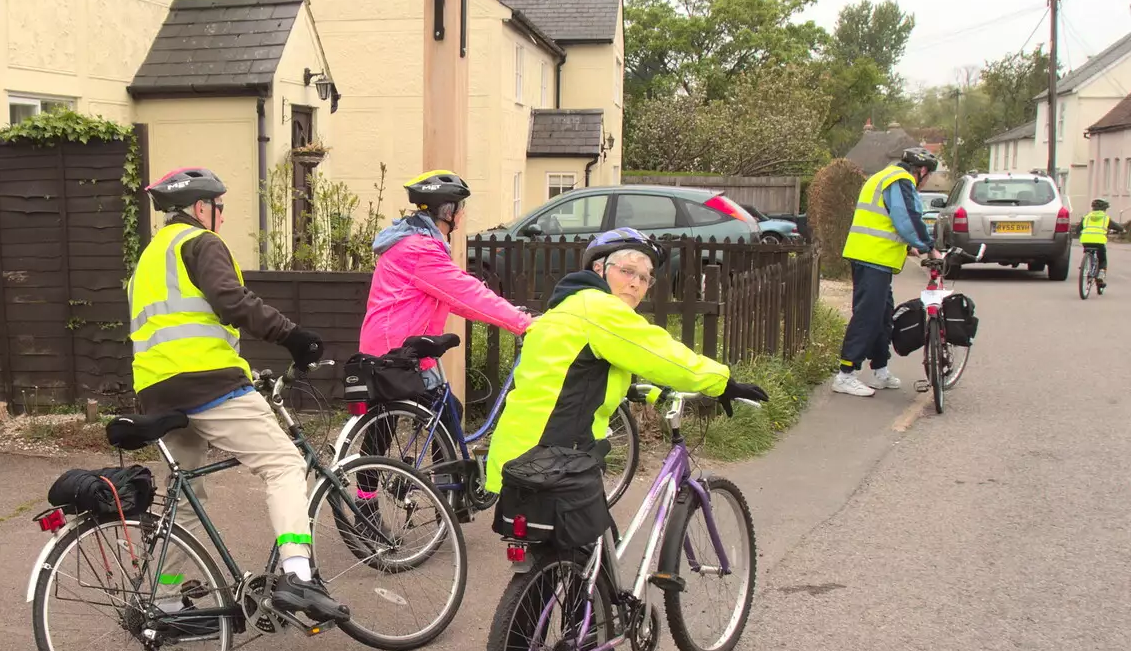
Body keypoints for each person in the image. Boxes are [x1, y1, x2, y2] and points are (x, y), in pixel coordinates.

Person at [129, 167, 346, 624]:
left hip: (156, 391)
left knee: (185, 496)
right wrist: (292, 336)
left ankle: (166, 602)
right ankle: (298, 574)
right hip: (207, 383)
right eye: (219, 207)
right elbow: (232, 301)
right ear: (201, 208)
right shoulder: (200, 243)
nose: (221, 218)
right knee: (285, 463)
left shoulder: (148, 259)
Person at [484, 228, 768, 495]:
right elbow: (660, 353)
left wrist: (652, 392)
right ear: (599, 268)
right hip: (555, 461)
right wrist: (721, 382)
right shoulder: (600, 309)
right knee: (592, 541)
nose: (635, 283)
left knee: (591, 542)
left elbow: (576, 376)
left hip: (515, 458)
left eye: (644, 278)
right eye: (627, 271)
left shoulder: (566, 307)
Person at [360, 169, 535, 387]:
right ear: (447, 212)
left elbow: (454, 298)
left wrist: (509, 313)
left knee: (441, 410)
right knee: (443, 412)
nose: (463, 214)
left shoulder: (413, 242)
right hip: (396, 352)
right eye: (461, 208)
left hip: (395, 347)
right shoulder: (420, 249)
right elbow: (466, 292)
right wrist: (521, 323)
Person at [832, 148, 938, 398]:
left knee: (882, 316)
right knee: (868, 316)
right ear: (922, 171)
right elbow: (907, 218)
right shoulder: (899, 180)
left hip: (871, 256)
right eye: (929, 176)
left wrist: (909, 246)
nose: (927, 182)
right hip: (872, 258)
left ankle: (880, 369)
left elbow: (884, 220)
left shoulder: (883, 175)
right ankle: (845, 374)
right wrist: (929, 248)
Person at [1076, 198, 1122, 290]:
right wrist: (1122, 230)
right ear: (1105, 209)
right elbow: (1117, 227)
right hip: (1099, 241)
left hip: (1086, 240)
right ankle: (1100, 274)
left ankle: (1086, 263)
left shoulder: (1086, 217)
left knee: (1088, 251)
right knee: (1102, 259)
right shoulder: (1105, 218)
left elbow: (1078, 230)